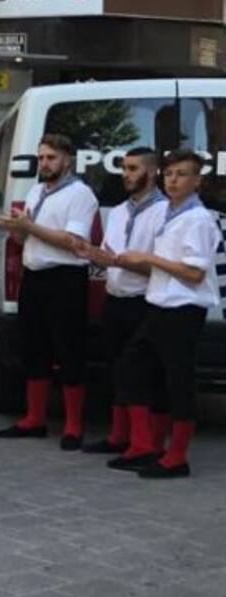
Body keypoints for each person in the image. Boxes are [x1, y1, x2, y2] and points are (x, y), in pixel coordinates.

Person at [104, 150, 220, 478]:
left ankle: (177, 456)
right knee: (133, 368)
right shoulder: (170, 212)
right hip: (159, 304)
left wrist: (150, 260)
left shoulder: (197, 218)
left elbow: (194, 273)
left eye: (182, 174)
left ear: (197, 181)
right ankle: (144, 444)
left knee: (177, 380)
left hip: (183, 308)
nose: (173, 180)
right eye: (169, 174)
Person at [0, 134, 99, 449]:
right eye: (41, 158)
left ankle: (73, 426)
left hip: (65, 278)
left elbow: (73, 242)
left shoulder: (80, 194)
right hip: (35, 276)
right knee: (34, 349)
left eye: (51, 158)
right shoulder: (37, 191)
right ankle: (34, 419)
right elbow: (30, 238)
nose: (44, 164)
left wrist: (29, 228)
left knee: (69, 351)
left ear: (67, 159)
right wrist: (16, 231)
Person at [76, 148, 167, 455]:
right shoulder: (117, 212)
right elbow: (108, 255)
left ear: (152, 172)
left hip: (146, 300)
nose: (126, 174)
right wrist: (93, 256)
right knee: (116, 368)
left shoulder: (164, 212)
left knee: (140, 371)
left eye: (133, 168)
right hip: (115, 299)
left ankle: (144, 442)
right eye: (124, 168)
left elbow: (160, 265)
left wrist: (115, 261)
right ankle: (118, 435)